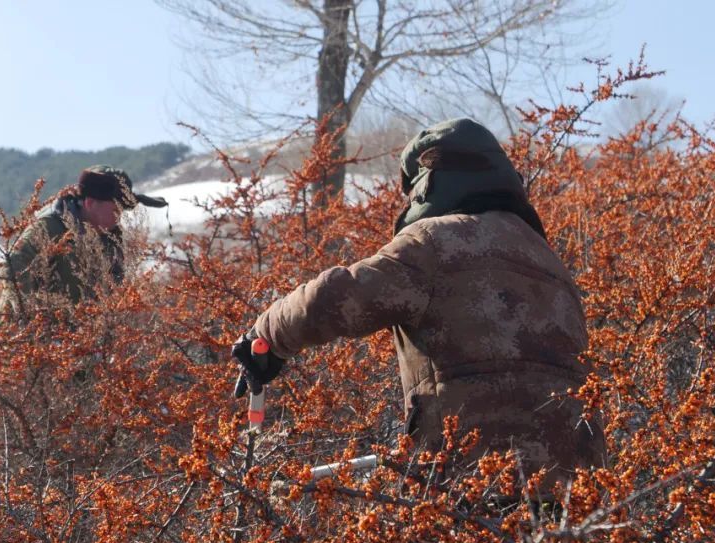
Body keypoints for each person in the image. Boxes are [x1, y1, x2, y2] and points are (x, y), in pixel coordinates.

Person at [232, 118, 606, 495]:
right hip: (578, 491)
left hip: (472, 481)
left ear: (429, 184)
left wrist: (265, 336)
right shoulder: (552, 265)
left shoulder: (434, 241)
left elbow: (336, 298)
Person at [0, 165, 167, 323]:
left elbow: (112, 288)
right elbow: (14, 261)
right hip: (31, 341)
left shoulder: (109, 236)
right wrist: (24, 313)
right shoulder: (50, 226)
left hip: (77, 341)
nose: (119, 217)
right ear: (90, 203)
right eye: (115, 210)